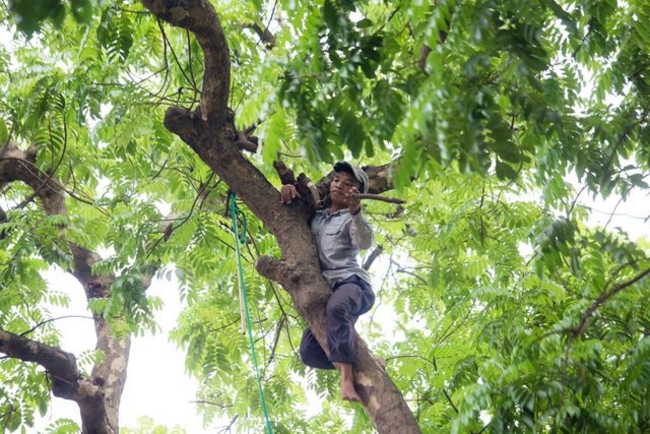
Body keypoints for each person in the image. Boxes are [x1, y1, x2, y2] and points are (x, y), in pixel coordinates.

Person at [280, 161, 375, 402]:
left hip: (352, 285)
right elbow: (294, 214)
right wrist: (288, 188)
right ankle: (361, 363)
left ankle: (346, 379)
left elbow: (364, 242)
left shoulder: (352, 218)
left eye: (349, 184)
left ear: (358, 192)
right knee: (309, 352)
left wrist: (356, 211)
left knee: (337, 308)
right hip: (329, 291)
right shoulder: (318, 218)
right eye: (336, 180)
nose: (339, 186)